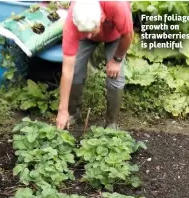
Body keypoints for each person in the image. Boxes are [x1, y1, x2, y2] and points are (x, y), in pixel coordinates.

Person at [56, 0, 133, 130]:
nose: (89, 35)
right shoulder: (72, 21)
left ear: (102, 18)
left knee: (116, 77)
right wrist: (62, 110)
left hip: (115, 35)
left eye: (91, 31)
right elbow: (67, 70)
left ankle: (111, 124)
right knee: (75, 71)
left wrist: (117, 60)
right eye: (85, 32)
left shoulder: (117, 5)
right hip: (87, 28)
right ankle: (73, 115)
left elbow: (128, 35)